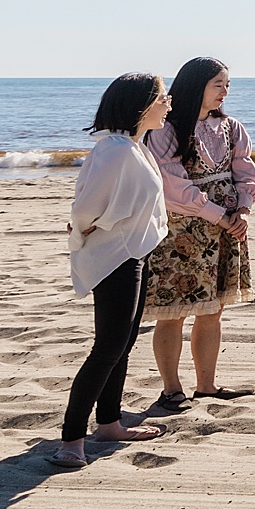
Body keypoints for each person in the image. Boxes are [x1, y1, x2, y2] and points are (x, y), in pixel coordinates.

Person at [49, 74, 173, 469]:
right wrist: (84, 228)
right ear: (141, 104)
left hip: (133, 254)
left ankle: (109, 422)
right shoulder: (116, 151)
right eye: (162, 97)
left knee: (122, 344)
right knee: (107, 348)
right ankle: (71, 439)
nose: (168, 103)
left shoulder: (133, 147)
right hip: (115, 258)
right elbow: (85, 208)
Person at [142, 57, 255, 409]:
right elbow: (173, 187)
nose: (225, 92)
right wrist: (219, 215)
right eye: (218, 85)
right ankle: (171, 389)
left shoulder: (231, 127)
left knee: (213, 310)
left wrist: (242, 210)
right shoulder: (165, 129)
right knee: (174, 311)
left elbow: (245, 173)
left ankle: (206, 386)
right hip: (184, 229)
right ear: (197, 86)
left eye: (227, 85)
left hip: (227, 225)